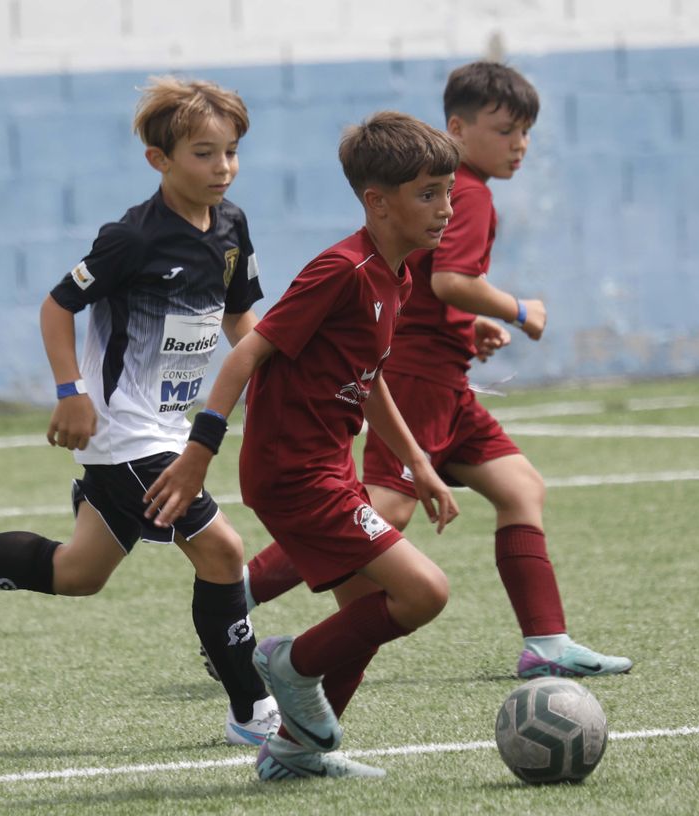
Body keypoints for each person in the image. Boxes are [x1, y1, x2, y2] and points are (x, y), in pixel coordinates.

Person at [0, 76, 280, 748]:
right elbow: (56, 306)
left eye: (231, 153)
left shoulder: (233, 225)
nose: (223, 168)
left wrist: (279, 374)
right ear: (160, 160)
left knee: (78, 572)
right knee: (222, 550)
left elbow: (241, 318)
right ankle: (254, 712)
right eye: (204, 154)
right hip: (125, 435)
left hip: (165, 426)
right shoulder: (131, 238)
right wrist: (72, 392)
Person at [241, 61, 633, 679]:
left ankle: (547, 642)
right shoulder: (468, 193)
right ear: (458, 128)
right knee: (382, 514)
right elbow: (452, 279)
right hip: (418, 382)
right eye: (505, 131)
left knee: (520, 487)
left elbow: (428, 287)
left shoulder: (453, 194)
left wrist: (465, 325)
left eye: (526, 132)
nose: (519, 144)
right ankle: (237, 596)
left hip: (447, 379)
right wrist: (518, 308)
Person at [144, 111, 463, 780]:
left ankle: (293, 751)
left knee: (362, 615)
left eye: (448, 190)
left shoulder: (395, 277)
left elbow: (367, 382)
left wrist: (419, 465)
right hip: (293, 472)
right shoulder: (342, 270)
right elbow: (244, 356)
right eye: (429, 193)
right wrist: (201, 451)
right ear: (377, 202)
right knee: (424, 593)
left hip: (328, 468)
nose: (446, 208)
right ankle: (285, 663)